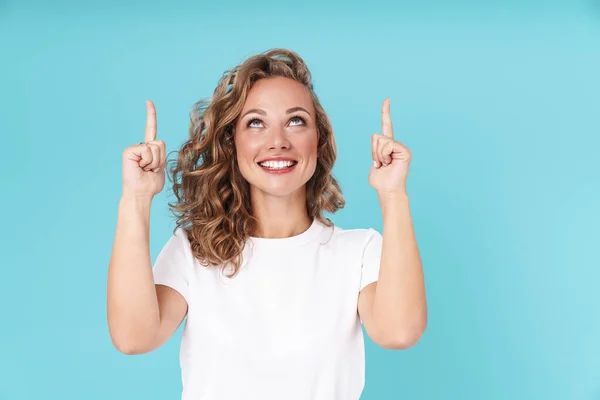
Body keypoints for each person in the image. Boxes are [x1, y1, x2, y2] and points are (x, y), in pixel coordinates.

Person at [107, 48, 427, 400]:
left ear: (318, 142)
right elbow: (133, 337)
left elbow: (399, 332)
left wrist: (394, 193)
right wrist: (136, 199)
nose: (278, 141)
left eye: (296, 121)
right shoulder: (193, 251)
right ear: (233, 142)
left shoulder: (359, 252)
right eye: (256, 122)